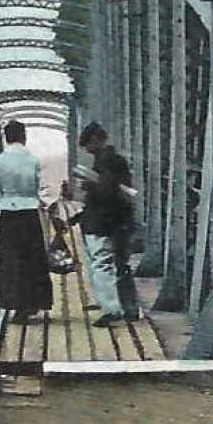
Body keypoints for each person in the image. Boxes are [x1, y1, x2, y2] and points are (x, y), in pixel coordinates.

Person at [0, 120, 53, 324]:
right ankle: (33, 302)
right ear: (24, 136)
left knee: (11, 260)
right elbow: (43, 189)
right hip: (31, 213)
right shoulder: (33, 160)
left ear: (6, 138)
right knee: (33, 259)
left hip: (7, 213)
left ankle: (17, 305)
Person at [74, 122, 140, 327]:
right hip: (118, 222)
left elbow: (106, 192)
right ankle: (130, 308)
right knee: (121, 265)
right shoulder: (113, 160)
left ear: (95, 140)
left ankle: (111, 310)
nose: (87, 149)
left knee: (102, 264)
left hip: (104, 223)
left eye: (87, 144)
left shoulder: (106, 161)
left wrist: (89, 183)